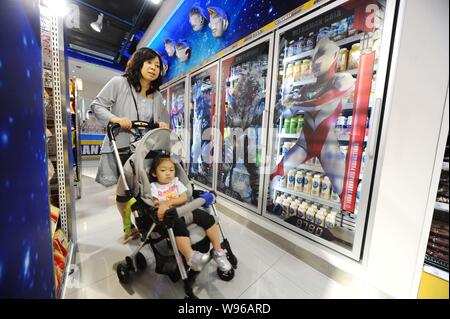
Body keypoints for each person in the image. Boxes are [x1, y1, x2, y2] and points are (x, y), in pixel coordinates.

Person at [90, 48, 170, 242]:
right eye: (149, 62)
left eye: (157, 65)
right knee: (125, 191)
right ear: (139, 63)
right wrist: (115, 118)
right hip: (122, 146)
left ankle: (151, 222)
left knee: (146, 188)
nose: (153, 68)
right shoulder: (119, 83)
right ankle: (128, 225)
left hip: (147, 150)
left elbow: (163, 120)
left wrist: (163, 123)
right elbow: (97, 105)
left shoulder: (157, 96)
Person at [271, 37, 355, 198]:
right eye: (314, 56)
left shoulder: (343, 79)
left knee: (343, 193)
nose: (316, 61)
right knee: (275, 174)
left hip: (327, 146)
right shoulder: (307, 88)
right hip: (303, 144)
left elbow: (320, 103)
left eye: (321, 54)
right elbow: (288, 114)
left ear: (335, 55)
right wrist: (279, 105)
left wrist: (294, 103)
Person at [150, 153, 232, 272]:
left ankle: (218, 251)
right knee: (178, 227)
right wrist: (161, 206)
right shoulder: (154, 187)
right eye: (163, 170)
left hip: (186, 209)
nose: (168, 173)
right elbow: (156, 203)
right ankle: (191, 257)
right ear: (154, 173)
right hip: (171, 217)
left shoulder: (176, 182)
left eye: (171, 170)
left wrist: (167, 203)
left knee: (208, 218)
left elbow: (183, 197)